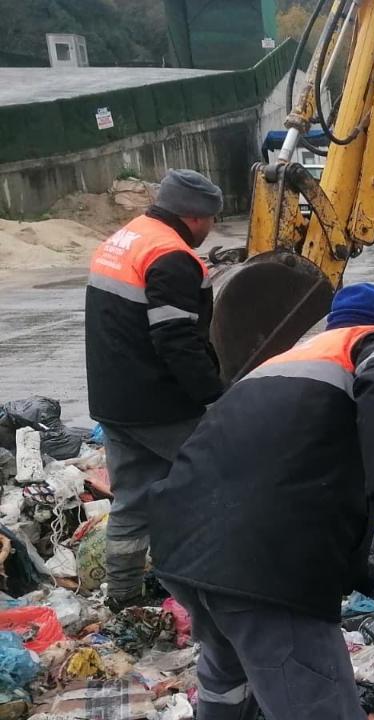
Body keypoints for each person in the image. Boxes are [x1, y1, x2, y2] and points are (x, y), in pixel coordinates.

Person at [149, 283, 374, 720]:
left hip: (183, 551)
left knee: (228, 682)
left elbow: (302, 492)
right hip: (262, 568)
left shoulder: (280, 364)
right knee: (317, 704)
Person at [84, 169, 225, 611]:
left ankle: (123, 599)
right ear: (195, 216)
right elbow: (176, 339)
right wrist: (215, 396)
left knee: (133, 501)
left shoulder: (126, 238)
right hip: (159, 404)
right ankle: (215, 584)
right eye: (210, 220)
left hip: (114, 401)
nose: (210, 229)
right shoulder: (173, 256)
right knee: (224, 479)